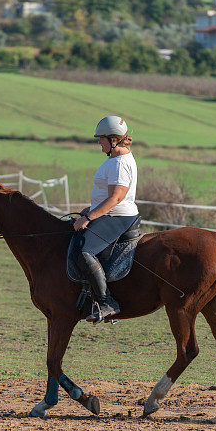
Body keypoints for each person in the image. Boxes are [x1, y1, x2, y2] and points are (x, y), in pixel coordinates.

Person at [73, 116, 140, 323]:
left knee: (84, 251)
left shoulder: (119, 163)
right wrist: (89, 209)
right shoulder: (115, 160)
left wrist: (89, 217)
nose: (99, 143)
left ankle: (106, 302)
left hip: (118, 216)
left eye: (101, 139)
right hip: (111, 212)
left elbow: (116, 198)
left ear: (114, 139)